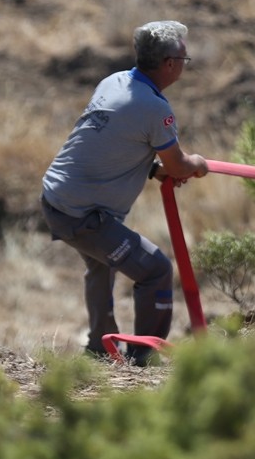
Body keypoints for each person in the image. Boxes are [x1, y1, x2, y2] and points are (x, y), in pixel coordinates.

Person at [40, 20, 209, 366]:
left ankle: (99, 349)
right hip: (82, 214)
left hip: (57, 199)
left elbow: (110, 143)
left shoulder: (114, 82)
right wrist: (197, 163)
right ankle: (143, 358)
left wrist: (153, 169)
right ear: (169, 64)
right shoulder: (155, 109)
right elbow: (178, 165)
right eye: (184, 58)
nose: (185, 63)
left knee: (101, 267)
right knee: (155, 270)